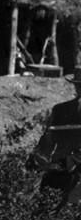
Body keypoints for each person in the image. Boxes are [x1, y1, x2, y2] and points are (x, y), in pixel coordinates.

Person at [30, 73, 81, 206]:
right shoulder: (60, 110)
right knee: (48, 204)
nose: (79, 89)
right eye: (78, 85)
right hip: (61, 167)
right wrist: (42, 158)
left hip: (74, 167)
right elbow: (48, 139)